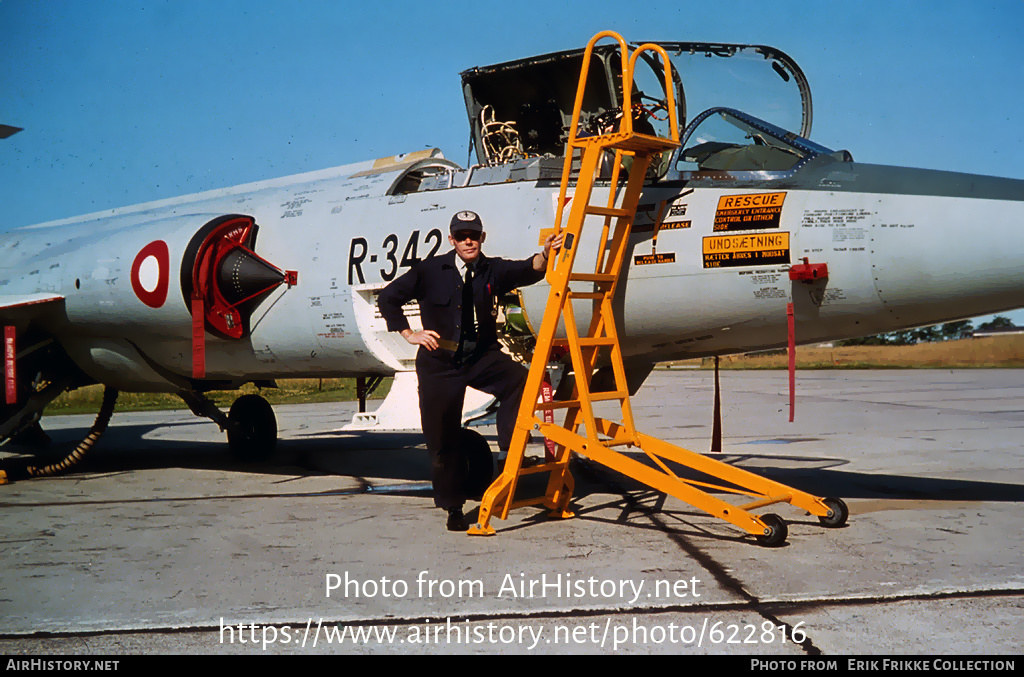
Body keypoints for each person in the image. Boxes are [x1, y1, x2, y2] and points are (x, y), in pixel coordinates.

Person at [377, 210, 562, 532]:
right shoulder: (430, 270)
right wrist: (409, 334)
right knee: (442, 437)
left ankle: (509, 452)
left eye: (473, 235)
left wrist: (546, 253)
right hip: (439, 362)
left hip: (480, 357)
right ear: (452, 240)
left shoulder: (492, 269)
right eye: (461, 236)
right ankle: (453, 506)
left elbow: (528, 269)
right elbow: (389, 298)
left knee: (520, 380)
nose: (468, 241)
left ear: (481, 238)